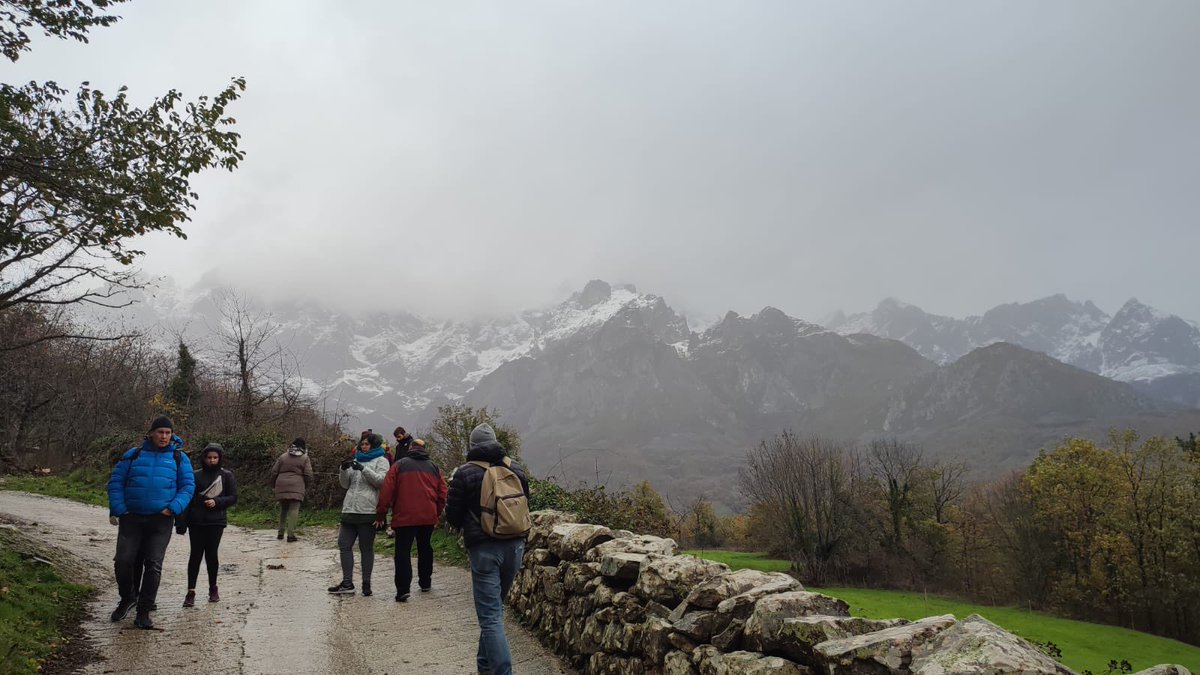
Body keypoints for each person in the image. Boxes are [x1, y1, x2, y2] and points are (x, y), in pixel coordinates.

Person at [446, 424, 530, 675]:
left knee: (491, 617)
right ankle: (484, 666)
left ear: (472, 446)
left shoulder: (465, 473)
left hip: (484, 550)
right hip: (515, 546)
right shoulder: (515, 468)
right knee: (495, 610)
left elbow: (452, 515)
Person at [107, 416, 194, 630]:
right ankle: (128, 598)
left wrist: (172, 508)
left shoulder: (179, 458)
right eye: (160, 432)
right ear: (151, 433)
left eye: (167, 433)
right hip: (132, 518)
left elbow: (187, 487)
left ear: (172, 435)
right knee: (123, 561)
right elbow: (116, 482)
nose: (164, 436)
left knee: (153, 564)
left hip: (161, 519)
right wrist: (120, 509)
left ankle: (144, 611)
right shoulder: (133, 455)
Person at [375, 438, 447, 602]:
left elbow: (387, 490)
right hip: (427, 516)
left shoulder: (399, 465)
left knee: (402, 551)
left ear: (411, 448)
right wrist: (436, 513)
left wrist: (381, 513)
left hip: (404, 515)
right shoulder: (434, 467)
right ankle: (425, 582)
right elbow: (443, 493)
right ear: (424, 449)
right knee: (425, 547)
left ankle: (403, 590)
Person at [328, 432, 389, 596]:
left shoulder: (382, 461)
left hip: (367, 511)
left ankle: (366, 584)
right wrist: (343, 469)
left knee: (366, 549)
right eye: (362, 444)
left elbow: (381, 482)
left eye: (367, 444)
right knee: (343, 545)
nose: (363, 446)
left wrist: (363, 469)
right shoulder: (356, 459)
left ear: (374, 445)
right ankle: (347, 582)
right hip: (349, 509)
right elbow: (345, 484)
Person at [181, 443, 237, 607]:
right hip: (196, 522)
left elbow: (233, 497)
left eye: (215, 457)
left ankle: (213, 588)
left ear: (220, 458)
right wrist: (182, 522)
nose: (212, 460)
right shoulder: (195, 475)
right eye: (209, 457)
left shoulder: (227, 475)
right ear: (203, 458)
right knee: (195, 556)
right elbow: (187, 500)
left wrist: (218, 501)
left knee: (212, 555)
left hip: (216, 522)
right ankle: (191, 591)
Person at [270, 437, 314, 542]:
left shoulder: (283, 456)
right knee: (294, 509)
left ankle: (280, 533)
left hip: (281, 485)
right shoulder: (304, 458)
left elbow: (274, 472)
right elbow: (308, 474)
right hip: (297, 486)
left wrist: (273, 485)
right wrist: (306, 485)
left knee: (283, 509)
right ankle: (291, 534)